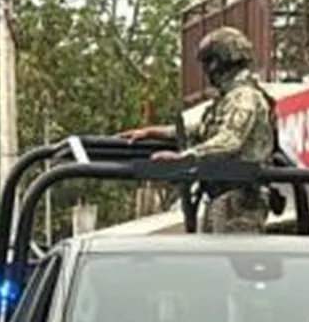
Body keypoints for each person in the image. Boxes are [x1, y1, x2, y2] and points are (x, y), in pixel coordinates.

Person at [119, 25, 278, 234]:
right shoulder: (228, 100)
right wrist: (154, 132)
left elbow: (230, 139)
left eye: (208, 63)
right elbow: (201, 130)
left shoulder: (244, 96)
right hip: (224, 195)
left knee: (233, 258)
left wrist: (186, 157)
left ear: (219, 62)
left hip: (240, 197)